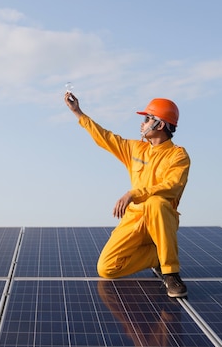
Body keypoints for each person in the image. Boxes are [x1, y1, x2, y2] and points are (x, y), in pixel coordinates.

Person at [65, 92, 190, 298]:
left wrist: (134, 193)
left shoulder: (178, 155)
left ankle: (170, 272)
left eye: (147, 118)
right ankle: (156, 256)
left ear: (159, 125)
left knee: (156, 202)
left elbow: (173, 186)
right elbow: (106, 138)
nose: (142, 123)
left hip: (160, 220)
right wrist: (78, 112)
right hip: (134, 219)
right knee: (106, 269)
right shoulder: (135, 149)